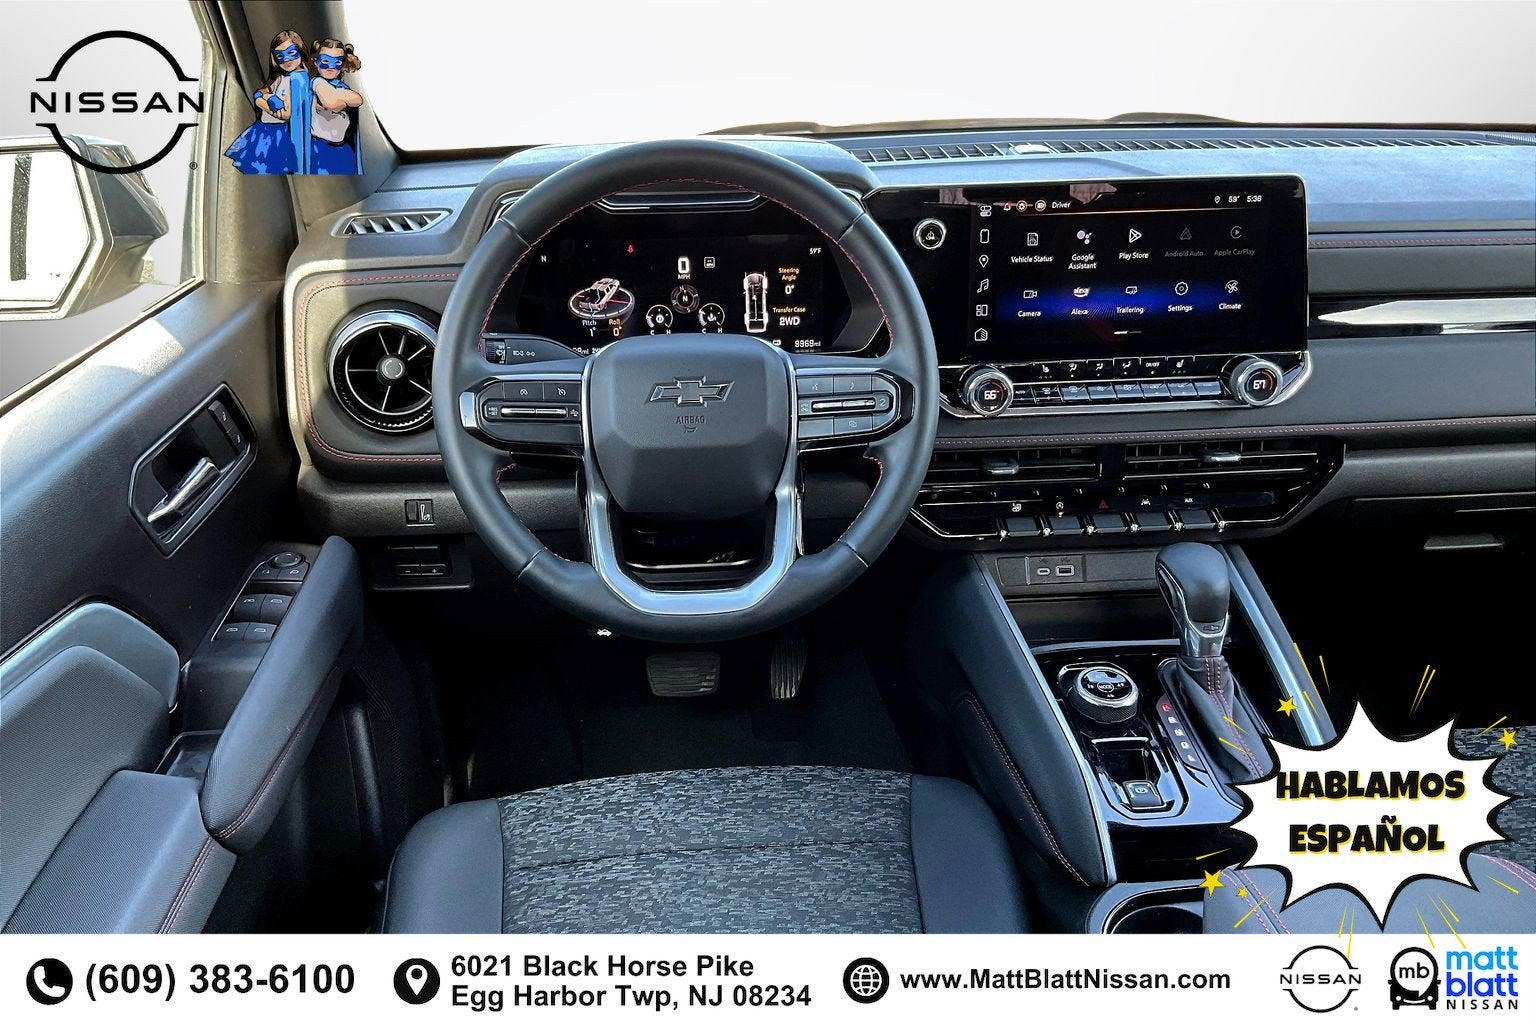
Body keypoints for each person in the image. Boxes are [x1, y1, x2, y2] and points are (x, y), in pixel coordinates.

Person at [224, 30, 313, 174]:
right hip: (263, 131)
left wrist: (260, 100)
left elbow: (284, 113)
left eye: (291, 53)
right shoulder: (281, 77)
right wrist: (267, 97)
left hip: (278, 135)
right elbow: (265, 90)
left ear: (300, 50)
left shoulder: (298, 80)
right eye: (280, 56)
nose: (286, 59)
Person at [308, 39, 365, 175]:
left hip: (342, 145)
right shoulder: (317, 82)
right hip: (320, 146)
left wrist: (339, 97)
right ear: (316, 62)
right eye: (325, 61)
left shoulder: (340, 85)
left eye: (337, 62)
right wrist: (343, 99)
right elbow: (332, 103)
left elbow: (358, 99)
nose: (330, 67)